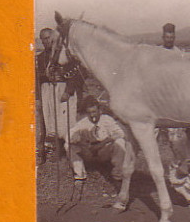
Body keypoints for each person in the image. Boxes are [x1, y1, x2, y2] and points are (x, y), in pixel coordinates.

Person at [68, 95, 135, 190]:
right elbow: (70, 134)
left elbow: (120, 134)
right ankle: (79, 176)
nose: (92, 115)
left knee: (119, 142)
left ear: (100, 110)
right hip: (89, 152)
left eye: (94, 112)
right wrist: (74, 136)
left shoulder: (107, 120)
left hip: (103, 152)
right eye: (89, 113)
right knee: (69, 145)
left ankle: (118, 176)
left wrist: (105, 142)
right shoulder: (83, 123)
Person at [37, 27, 84, 159]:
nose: (46, 42)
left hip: (63, 90)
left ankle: (71, 150)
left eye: (47, 38)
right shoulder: (41, 57)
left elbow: (76, 74)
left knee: (66, 120)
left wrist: (68, 91)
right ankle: (55, 149)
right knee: (51, 119)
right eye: (43, 39)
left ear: (53, 38)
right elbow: (38, 76)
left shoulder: (64, 54)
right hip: (47, 90)